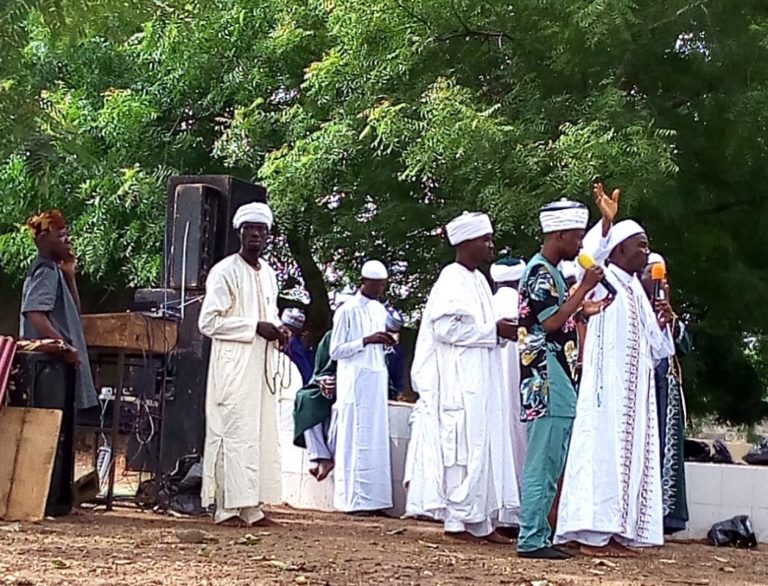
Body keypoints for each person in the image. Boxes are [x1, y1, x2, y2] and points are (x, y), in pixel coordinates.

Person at [555, 220, 676, 554]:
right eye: (641, 245)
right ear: (619, 249)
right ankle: (590, 532)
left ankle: (619, 530)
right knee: (601, 454)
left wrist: (664, 323)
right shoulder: (602, 279)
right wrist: (607, 224)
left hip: (635, 396)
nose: (647, 252)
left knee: (630, 458)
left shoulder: (636, 289)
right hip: (606, 392)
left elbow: (658, 348)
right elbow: (589, 259)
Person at [404, 212, 520, 543]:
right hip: (458, 379)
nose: (491, 245)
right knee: (462, 449)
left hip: (483, 377)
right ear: (466, 243)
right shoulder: (450, 279)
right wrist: (493, 331)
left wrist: (501, 333)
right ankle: (457, 522)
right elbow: (446, 328)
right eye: (485, 240)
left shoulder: (480, 280)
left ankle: (480, 523)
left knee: (483, 445)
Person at [516, 201, 607, 560]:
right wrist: (584, 288)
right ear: (559, 235)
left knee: (551, 462)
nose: (580, 244)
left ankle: (539, 534)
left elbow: (556, 317)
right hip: (546, 378)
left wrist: (582, 310)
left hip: (555, 376)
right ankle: (531, 539)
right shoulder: (540, 271)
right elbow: (550, 322)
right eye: (577, 237)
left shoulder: (549, 271)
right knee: (543, 463)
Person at [198, 202, 289, 526]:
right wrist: (253, 327)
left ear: (268, 236)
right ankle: (225, 508)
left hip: (261, 366)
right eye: (250, 229)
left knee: (258, 435)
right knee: (232, 433)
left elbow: (270, 314)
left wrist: (280, 330)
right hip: (233, 367)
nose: (255, 235)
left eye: (261, 230)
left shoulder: (270, 274)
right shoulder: (224, 271)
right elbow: (208, 322)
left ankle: (252, 507)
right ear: (240, 233)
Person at [329, 260, 394, 514]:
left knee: (375, 439)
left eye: (382, 285)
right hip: (355, 382)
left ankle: (376, 501)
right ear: (363, 282)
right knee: (355, 438)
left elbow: (380, 346)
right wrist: (366, 340)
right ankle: (353, 501)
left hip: (376, 379)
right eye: (375, 284)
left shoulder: (380, 310)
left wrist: (386, 342)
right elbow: (336, 350)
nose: (379, 289)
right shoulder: (346, 310)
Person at [20, 210, 98, 411]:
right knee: (52, 423)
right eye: (60, 235)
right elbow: (34, 313)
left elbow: (74, 314)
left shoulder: (54, 270)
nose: (67, 240)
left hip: (55, 366)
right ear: (43, 239)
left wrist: (70, 276)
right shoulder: (45, 270)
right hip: (48, 367)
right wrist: (64, 346)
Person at [641, 253, 692, 534]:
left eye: (662, 277)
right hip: (642, 388)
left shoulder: (667, 312)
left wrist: (670, 318)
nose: (659, 282)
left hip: (666, 392)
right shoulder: (631, 304)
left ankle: (665, 518)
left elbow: (684, 346)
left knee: (666, 448)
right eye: (652, 274)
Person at [490, 257, 528, 494]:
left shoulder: (487, 304)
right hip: (522, 386)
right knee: (520, 434)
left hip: (492, 386)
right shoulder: (525, 306)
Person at [293, 327, 337, 481]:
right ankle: (320, 456)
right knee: (306, 399)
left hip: (358, 388)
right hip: (330, 388)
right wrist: (324, 380)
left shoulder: (371, 336)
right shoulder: (331, 336)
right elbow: (320, 370)